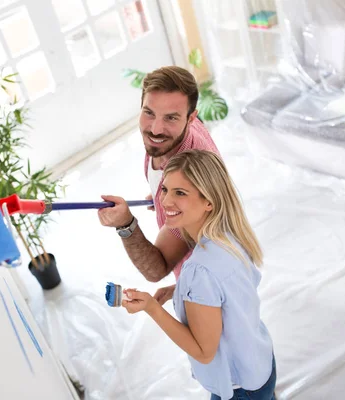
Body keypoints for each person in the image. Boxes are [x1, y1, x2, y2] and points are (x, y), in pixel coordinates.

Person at [121, 150, 276, 400]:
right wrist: (179, 290)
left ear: (209, 201)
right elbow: (226, 289)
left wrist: (152, 308)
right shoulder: (230, 235)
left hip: (240, 389)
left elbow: (204, 352)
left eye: (180, 193)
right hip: (262, 364)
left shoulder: (198, 271)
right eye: (165, 190)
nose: (165, 201)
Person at [98, 66, 219, 304]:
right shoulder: (173, 139)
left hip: (206, 291)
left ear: (190, 118)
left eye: (171, 117)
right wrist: (160, 195)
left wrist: (125, 225)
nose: (155, 129)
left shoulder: (189, 177)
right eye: (149, 113)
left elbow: (156, 268)